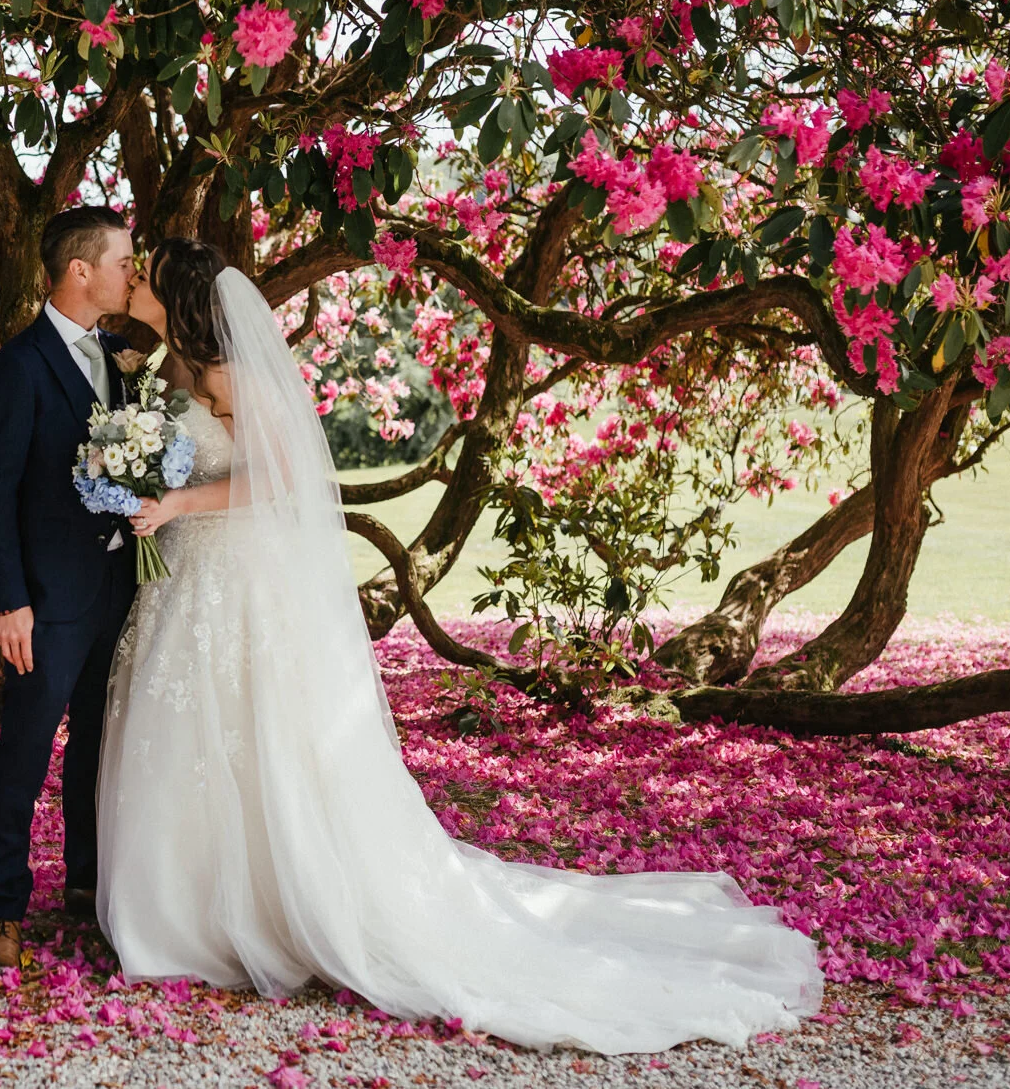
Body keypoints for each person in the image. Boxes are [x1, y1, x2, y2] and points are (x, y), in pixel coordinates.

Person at [94, 237, 825, 1055]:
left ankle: (253, 910)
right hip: (190, 574)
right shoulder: (169, 366)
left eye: (147, 273)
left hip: (235, 578)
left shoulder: (231, 373)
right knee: (191, 733)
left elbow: (282, 478)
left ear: (180, 297)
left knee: (249, 733)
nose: (136, 278)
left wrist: (178, 502)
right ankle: (186, 906)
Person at [0, 205, 139, 973]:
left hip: (118, 590)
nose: (130, 274)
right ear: (80, 270)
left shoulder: (119, 358)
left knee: (99, 746)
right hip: (44, 602)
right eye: (122, 262)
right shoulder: (17, 366)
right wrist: (8, 601)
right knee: (27, 749)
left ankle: (86, 883)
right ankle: (2, 907)